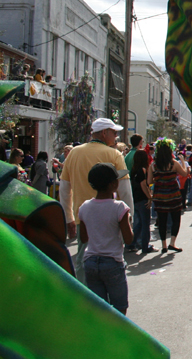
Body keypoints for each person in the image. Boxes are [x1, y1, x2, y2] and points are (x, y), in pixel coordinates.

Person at [60, 118, 131, 283]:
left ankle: (86, 299)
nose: (116, 137)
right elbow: (125, 190)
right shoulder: (113, 154)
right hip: (112, 218)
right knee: (113, 259)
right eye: (114, 133)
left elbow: (64, 189)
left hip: (83, 218)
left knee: (83, 259)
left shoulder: (74, 153)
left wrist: (69, 218)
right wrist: (129, 218)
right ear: (104, 133)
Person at [78, 163, 134, 314]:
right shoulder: (119, 207)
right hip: (112, 262)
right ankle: (117, 335)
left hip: (90, 261)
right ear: (113, 184)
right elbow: (128, 239)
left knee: (100, 308)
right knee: (120, 307)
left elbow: (83, 238)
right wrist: (128, 221)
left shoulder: (84, 207)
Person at [149, 138, 187, 253]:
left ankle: (164, 245)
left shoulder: (153, 165)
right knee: (176, 219)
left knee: (162, 221)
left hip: (160, 196)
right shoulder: (173, 163)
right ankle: (172, 243)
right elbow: (184, 173)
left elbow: (149, 181)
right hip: (173, 195)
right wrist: (183, 162)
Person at [128, 150, 155, 254]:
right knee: (145, 224)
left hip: (135, 198)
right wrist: (149, 197)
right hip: (142, 198)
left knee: (138, 224)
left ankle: (131, 243)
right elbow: (143, 185)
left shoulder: (134, 170)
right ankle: (145, 246)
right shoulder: (143, 170)